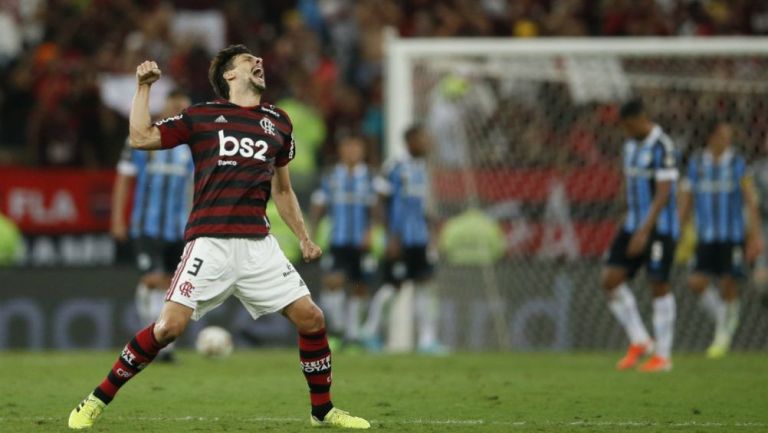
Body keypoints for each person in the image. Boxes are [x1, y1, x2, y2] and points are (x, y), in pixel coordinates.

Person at [68, 44, 369, 430]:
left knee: (312, 318)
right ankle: (96, 399)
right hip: (209, 242)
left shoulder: (279, 121)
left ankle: (323, 411)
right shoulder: (202, 117)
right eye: (248, 61)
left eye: (259, 59)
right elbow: (142, 138)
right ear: (229, 75)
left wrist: (304, 237)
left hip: (259, 246)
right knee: (168, 328)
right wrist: (142, 88)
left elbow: (282, 190)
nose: (259, 62)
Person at [111, 89, 193, 362]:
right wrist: (117, 219)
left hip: (178, 227)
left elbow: (195, 187)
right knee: (152, 279)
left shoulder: (192, 145)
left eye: (185, 107)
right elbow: (124, 179)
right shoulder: (141, 139)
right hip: (146, 225)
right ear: (166, 107)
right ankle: (157, 343)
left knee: (170, 285)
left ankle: (158, 339)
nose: (181, 111)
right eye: (177, 105)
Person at [602, 99, 679, 373]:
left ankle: (663, 356)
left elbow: (663, 192)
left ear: (641, 119)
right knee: (610, 281)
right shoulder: (629, 146)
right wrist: (624, 215)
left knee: (658, 283)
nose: (626, 130)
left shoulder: (663, 146)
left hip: (659, 227)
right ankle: (640, 340)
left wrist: (644, 232)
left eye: (628, 125)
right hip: (632, 224)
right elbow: (629, 183)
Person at [679, 118, 762, 358]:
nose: (728, 140)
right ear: (712, 137)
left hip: (732, 235)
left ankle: (723, 334)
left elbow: (750, 201)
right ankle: (724, 318)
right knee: (696, 282)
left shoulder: (737, 163)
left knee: (728, 281)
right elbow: (686, 200)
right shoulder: (696, 164)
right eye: (724, 136)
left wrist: (755, 236)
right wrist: (679, 230)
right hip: (705, 235)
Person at [361, 124, 441, 353]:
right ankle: (369, 331)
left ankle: (427, 340)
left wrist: (432, 235)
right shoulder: (395, 166)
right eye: (423, 139)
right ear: (410, 141)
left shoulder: (423, 167)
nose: (427, 143)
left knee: (425, 285)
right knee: (392, 287)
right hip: (400, 238)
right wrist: (389, 236)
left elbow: (424, 207)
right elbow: (378, 202)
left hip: (420, 238)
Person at [310, 135, 377, 350]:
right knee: (333, 283)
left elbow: (375, 208)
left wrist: (371, 231)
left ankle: (353, 335)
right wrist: (311, 232)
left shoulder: (369, 176)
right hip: (336, 238)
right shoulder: (331, 175)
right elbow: (319, 204)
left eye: (356, 148)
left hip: (360, 240)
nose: (352, 152)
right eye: (348, 147)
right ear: (340, 150)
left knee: (359, 287)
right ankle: (338, 329)